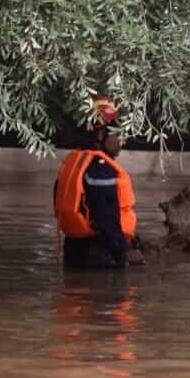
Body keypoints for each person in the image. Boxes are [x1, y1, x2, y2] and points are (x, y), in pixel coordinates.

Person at [53, 95, 143, 269]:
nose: (122, 140)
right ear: (101, 134)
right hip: (100, 253)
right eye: (118, 133)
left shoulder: (75, 162)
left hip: (73, 249)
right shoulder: (101, 170)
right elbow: (106, 218)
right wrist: (124, 251)